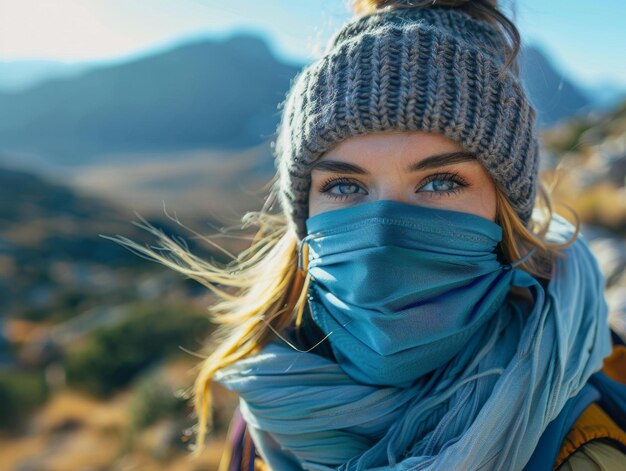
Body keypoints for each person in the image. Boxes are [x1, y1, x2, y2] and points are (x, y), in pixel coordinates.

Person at [108, 0, 626, 469]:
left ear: (505, 214)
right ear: (304, 211)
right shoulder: (272, 404)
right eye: (344, 184)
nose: (382, 233)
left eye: (441, 181)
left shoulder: (587, 446)